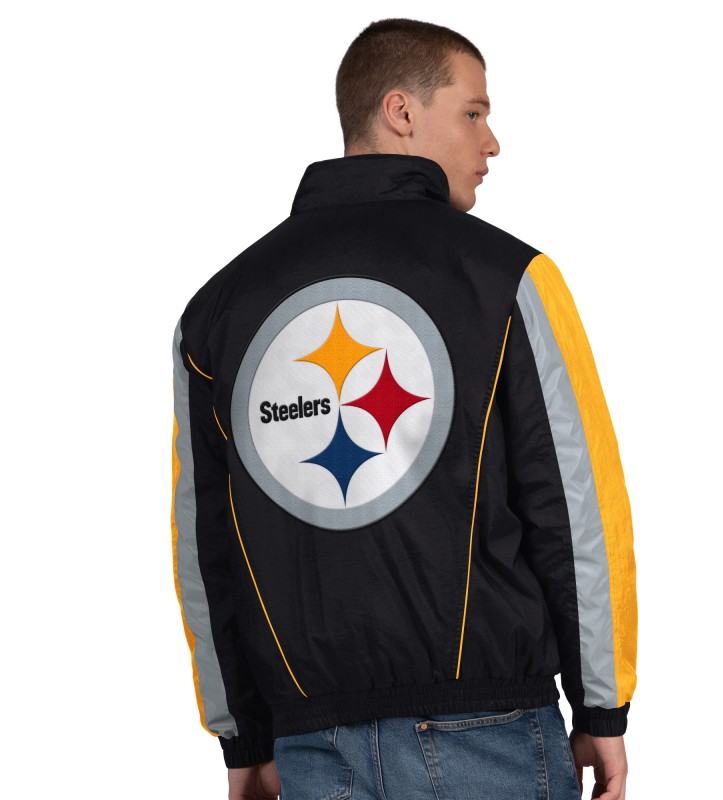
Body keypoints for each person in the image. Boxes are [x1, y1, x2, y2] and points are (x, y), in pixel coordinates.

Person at [172, 18, 637, 800]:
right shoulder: (511, 277)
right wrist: (603, 707)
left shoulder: (215, 309)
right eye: (473, 112)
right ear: (401, 111)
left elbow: (204, 547)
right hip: (489, 736)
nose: (492, 143)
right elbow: (576, 506)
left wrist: (242, 738)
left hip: (310, 748)